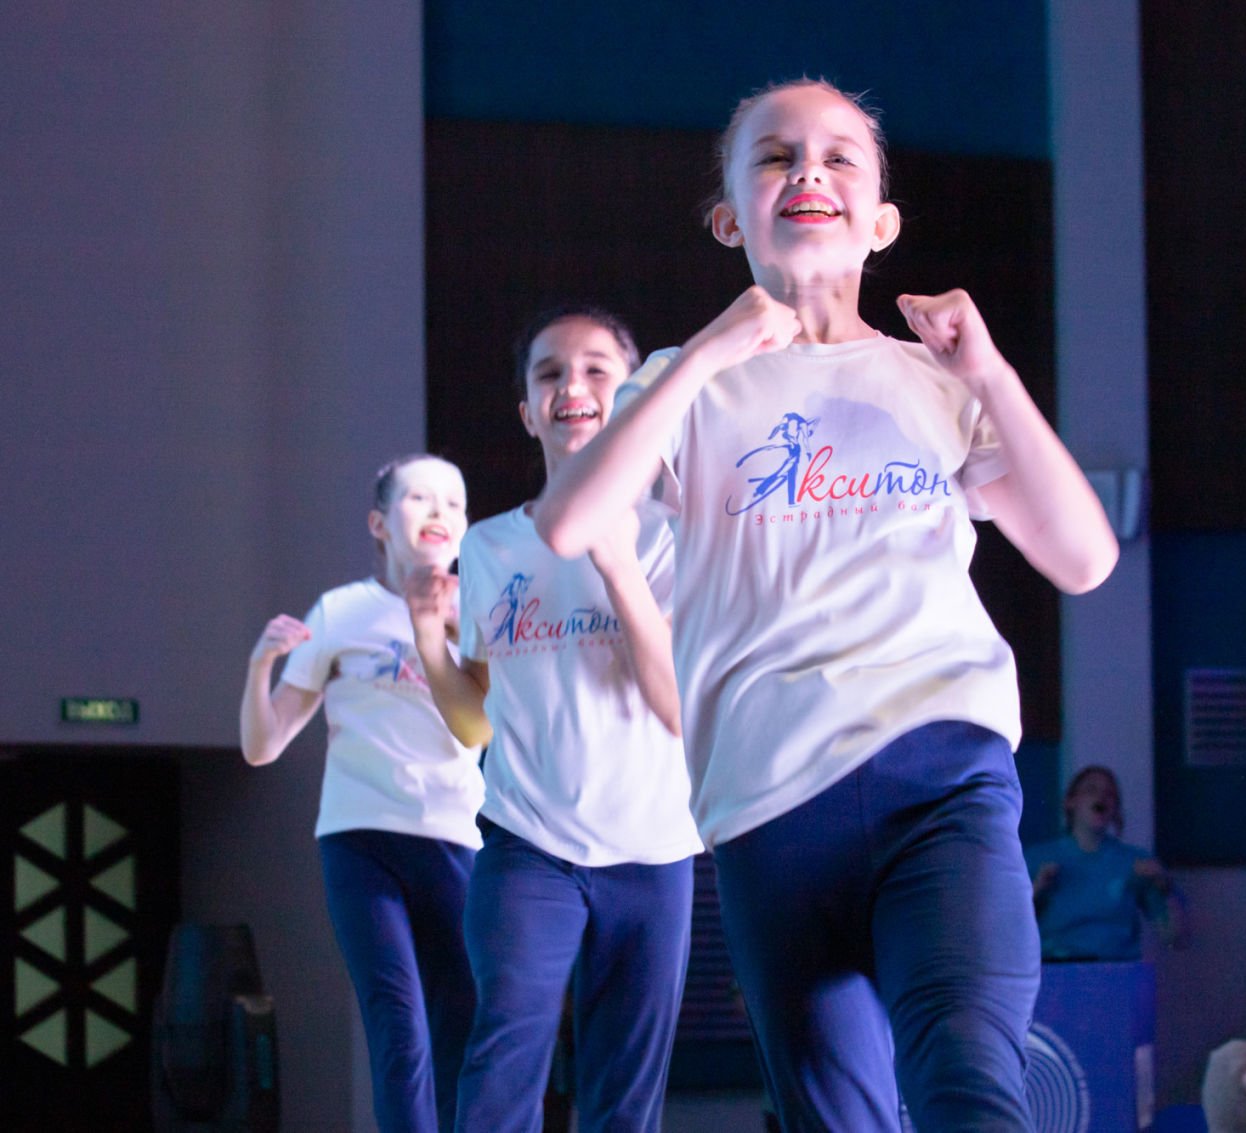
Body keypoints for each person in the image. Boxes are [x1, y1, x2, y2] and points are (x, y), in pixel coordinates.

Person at [530, 78, 1119, 1131]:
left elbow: (1081, 556)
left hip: (938, 774)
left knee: (965, 1077)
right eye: (774, 156)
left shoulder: (936, 379)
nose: (808, 169)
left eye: (840, 155)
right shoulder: (680, 382)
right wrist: (708, 350)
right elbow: (571, 522)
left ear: (880, 221)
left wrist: (989, 371)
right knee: (835, 1116)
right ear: (729, 219)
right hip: (767, 805)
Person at [408, 305, 701, 1133]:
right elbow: (476, 723)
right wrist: (429, 637)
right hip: (527, 846)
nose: (572, 385)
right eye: (549, 373)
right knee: (500, 1074)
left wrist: (615, 562)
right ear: (528, 412)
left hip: (654, 854)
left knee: (624, 1100)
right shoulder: (489, 547)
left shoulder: (677, 538)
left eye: (597, 369)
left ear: (636, 397)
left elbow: (678, 707)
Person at [239, 454, 482, 1133]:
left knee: (462, 1021)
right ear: (378, 523)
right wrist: (260, 666)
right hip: (360, 841)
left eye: (453, 502)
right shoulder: (341, 613)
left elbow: (496, 722)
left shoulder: (484, 607)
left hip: (454, 837)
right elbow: (263, 744)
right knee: (397, 1019)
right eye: (419, 498)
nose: (438, 512)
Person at [1024, 765, 1183, 960]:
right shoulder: (1038, 858)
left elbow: (1175, 938)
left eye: (1110, 794)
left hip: (1118, 969)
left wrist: (1165, 886)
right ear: (1070, 802)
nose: (1101, 797)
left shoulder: (1135, 862)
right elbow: (1005, 931)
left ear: (1115, 809)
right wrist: (1036, 890)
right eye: (1091, 790)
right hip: (1058, 969)